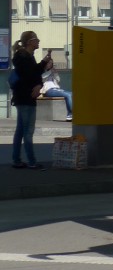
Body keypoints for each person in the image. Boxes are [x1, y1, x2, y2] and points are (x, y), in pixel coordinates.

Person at [10, 30, 52, 170]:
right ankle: (32, 161)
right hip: (26, 97)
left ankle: (16, 160)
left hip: (22, 97)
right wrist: (43, 64)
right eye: (36, 39)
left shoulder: (25, 56)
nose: (38, 41)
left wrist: (42, 69)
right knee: (28, 131)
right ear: (30, 42)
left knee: (21, 130)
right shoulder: (24, 57)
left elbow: (33, 74)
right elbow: (31, 74)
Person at [40, 55, 72, 120]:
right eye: (49, 63)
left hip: (56, 89)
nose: (50, 64)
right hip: (48, 90)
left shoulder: (52, 72)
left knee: (71, 94)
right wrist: (50, 72)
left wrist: (56, 74)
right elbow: (42, 78)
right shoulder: (42, 71)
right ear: (45, 63)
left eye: (51, 63)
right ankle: (70, 114)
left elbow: (58, 80)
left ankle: (71, 114)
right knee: (68, 95)